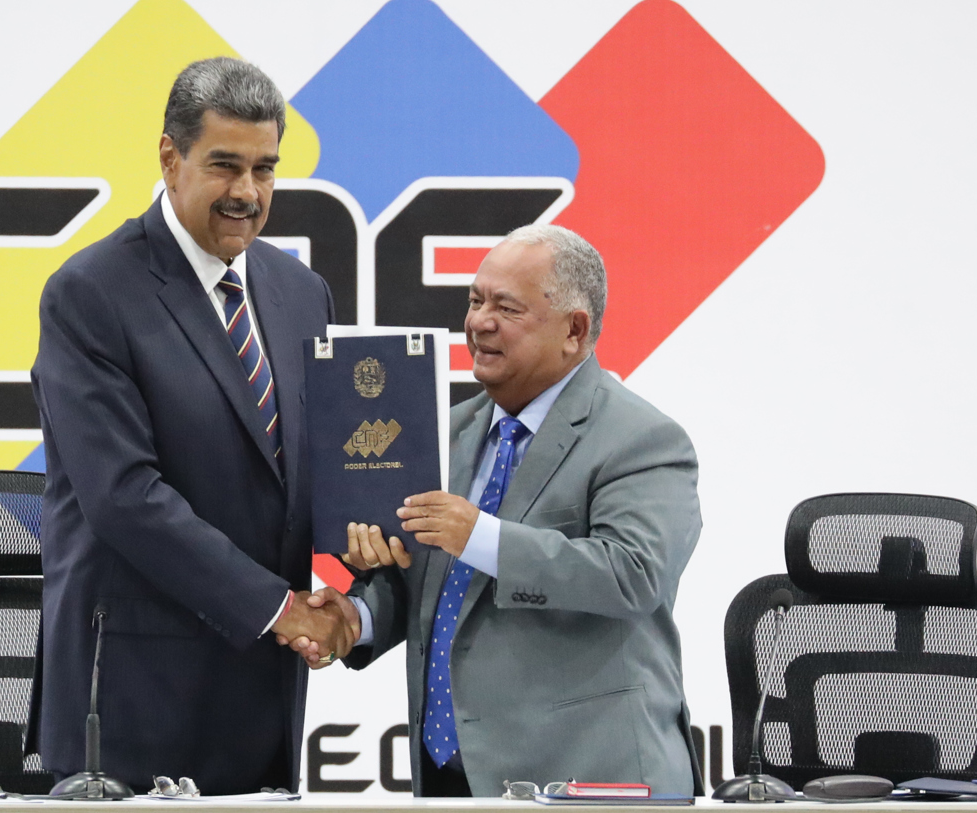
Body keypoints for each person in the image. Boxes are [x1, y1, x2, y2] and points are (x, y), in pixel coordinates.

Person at [289, 224, 703, 796]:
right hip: (452, 783)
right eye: (475, 300)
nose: (479, 322)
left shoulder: (642, 439)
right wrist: (354, 620)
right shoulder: (447, 431)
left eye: (506, 307)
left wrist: (481, 536)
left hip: (589, 784)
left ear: (574, 331)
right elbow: (426, 582)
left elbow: (634, 575)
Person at [30, 56, 351, 794]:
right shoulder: (90, 293)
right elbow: (125, 497)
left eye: (265, 169)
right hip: (133, 704)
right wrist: (278, 609)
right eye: (225, 165)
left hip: (263, 694)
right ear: (170, 159)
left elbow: (314, 473)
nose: (247, 192)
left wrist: (360, 576)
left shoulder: (303, 293)